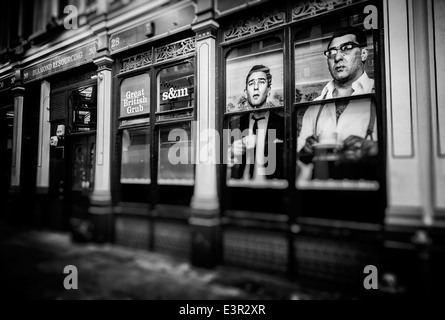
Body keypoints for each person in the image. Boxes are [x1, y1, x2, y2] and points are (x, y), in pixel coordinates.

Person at [297, 26, 378, 162]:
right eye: (332, 52)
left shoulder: (382, 93)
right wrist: (305, 151)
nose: (338, 57)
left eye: (347, 48)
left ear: (364, 54)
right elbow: (298, 158)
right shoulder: (315, 106)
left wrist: (375, 148)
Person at [228, 65, 284, 181]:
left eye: (261, 82)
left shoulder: (282, 123)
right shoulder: (234, 124)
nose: (256, 87)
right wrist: (231, 152)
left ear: (269, 90)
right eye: (251, 83)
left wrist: (264, 143)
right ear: (245, 92)